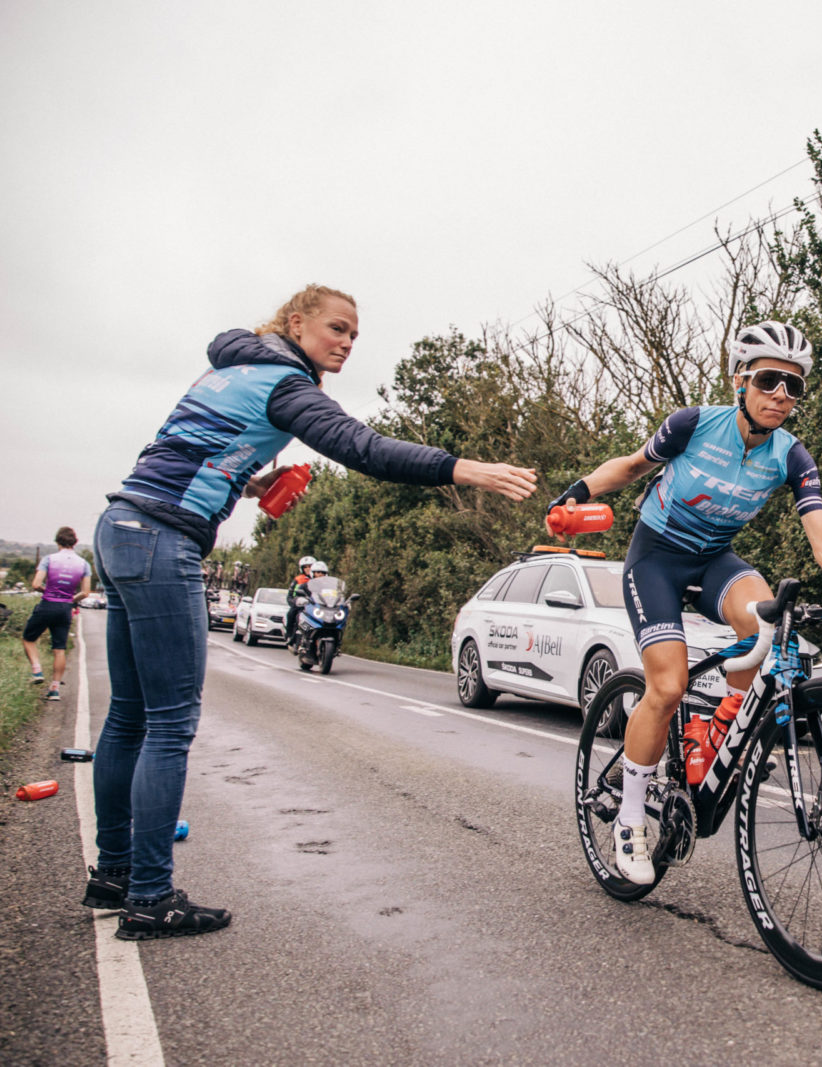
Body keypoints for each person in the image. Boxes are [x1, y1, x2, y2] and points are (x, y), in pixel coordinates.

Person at [86, 284, 537, 939]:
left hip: (123, 523)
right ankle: (150, 896)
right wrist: (465, 468)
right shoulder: (287, 384)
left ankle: (114, 873)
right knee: (168, 723)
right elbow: (364, 447)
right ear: (296, 322)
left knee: (129, 718)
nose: (347, 342)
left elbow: (189, 449)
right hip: (162, 537)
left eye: (355, 334)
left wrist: (252, 481)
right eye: (337, 328)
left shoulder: (233, 366)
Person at [546, 320, 822, 885]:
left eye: (794, 386)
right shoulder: (694, 425)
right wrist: (580, 491)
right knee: (667, 686)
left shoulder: (791, 456)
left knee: (768, 623)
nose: (781, 395)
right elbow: (633, 465)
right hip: (657, 557)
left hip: (715, 560)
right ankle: (632, 819)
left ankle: (716, 742)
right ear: (740, 381)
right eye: (768, 381)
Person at [22, 526, 92, 700]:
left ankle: (37, 671)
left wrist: (48, 591)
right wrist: (70, 599)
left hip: (48, 604)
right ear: (74, 543)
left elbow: (36, 584)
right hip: (65, 608)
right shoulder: (84, 564)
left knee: (28, 639)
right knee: (59, 648)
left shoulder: (49, 559)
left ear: (57, 541)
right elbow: (86, 593)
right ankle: (54, 690)